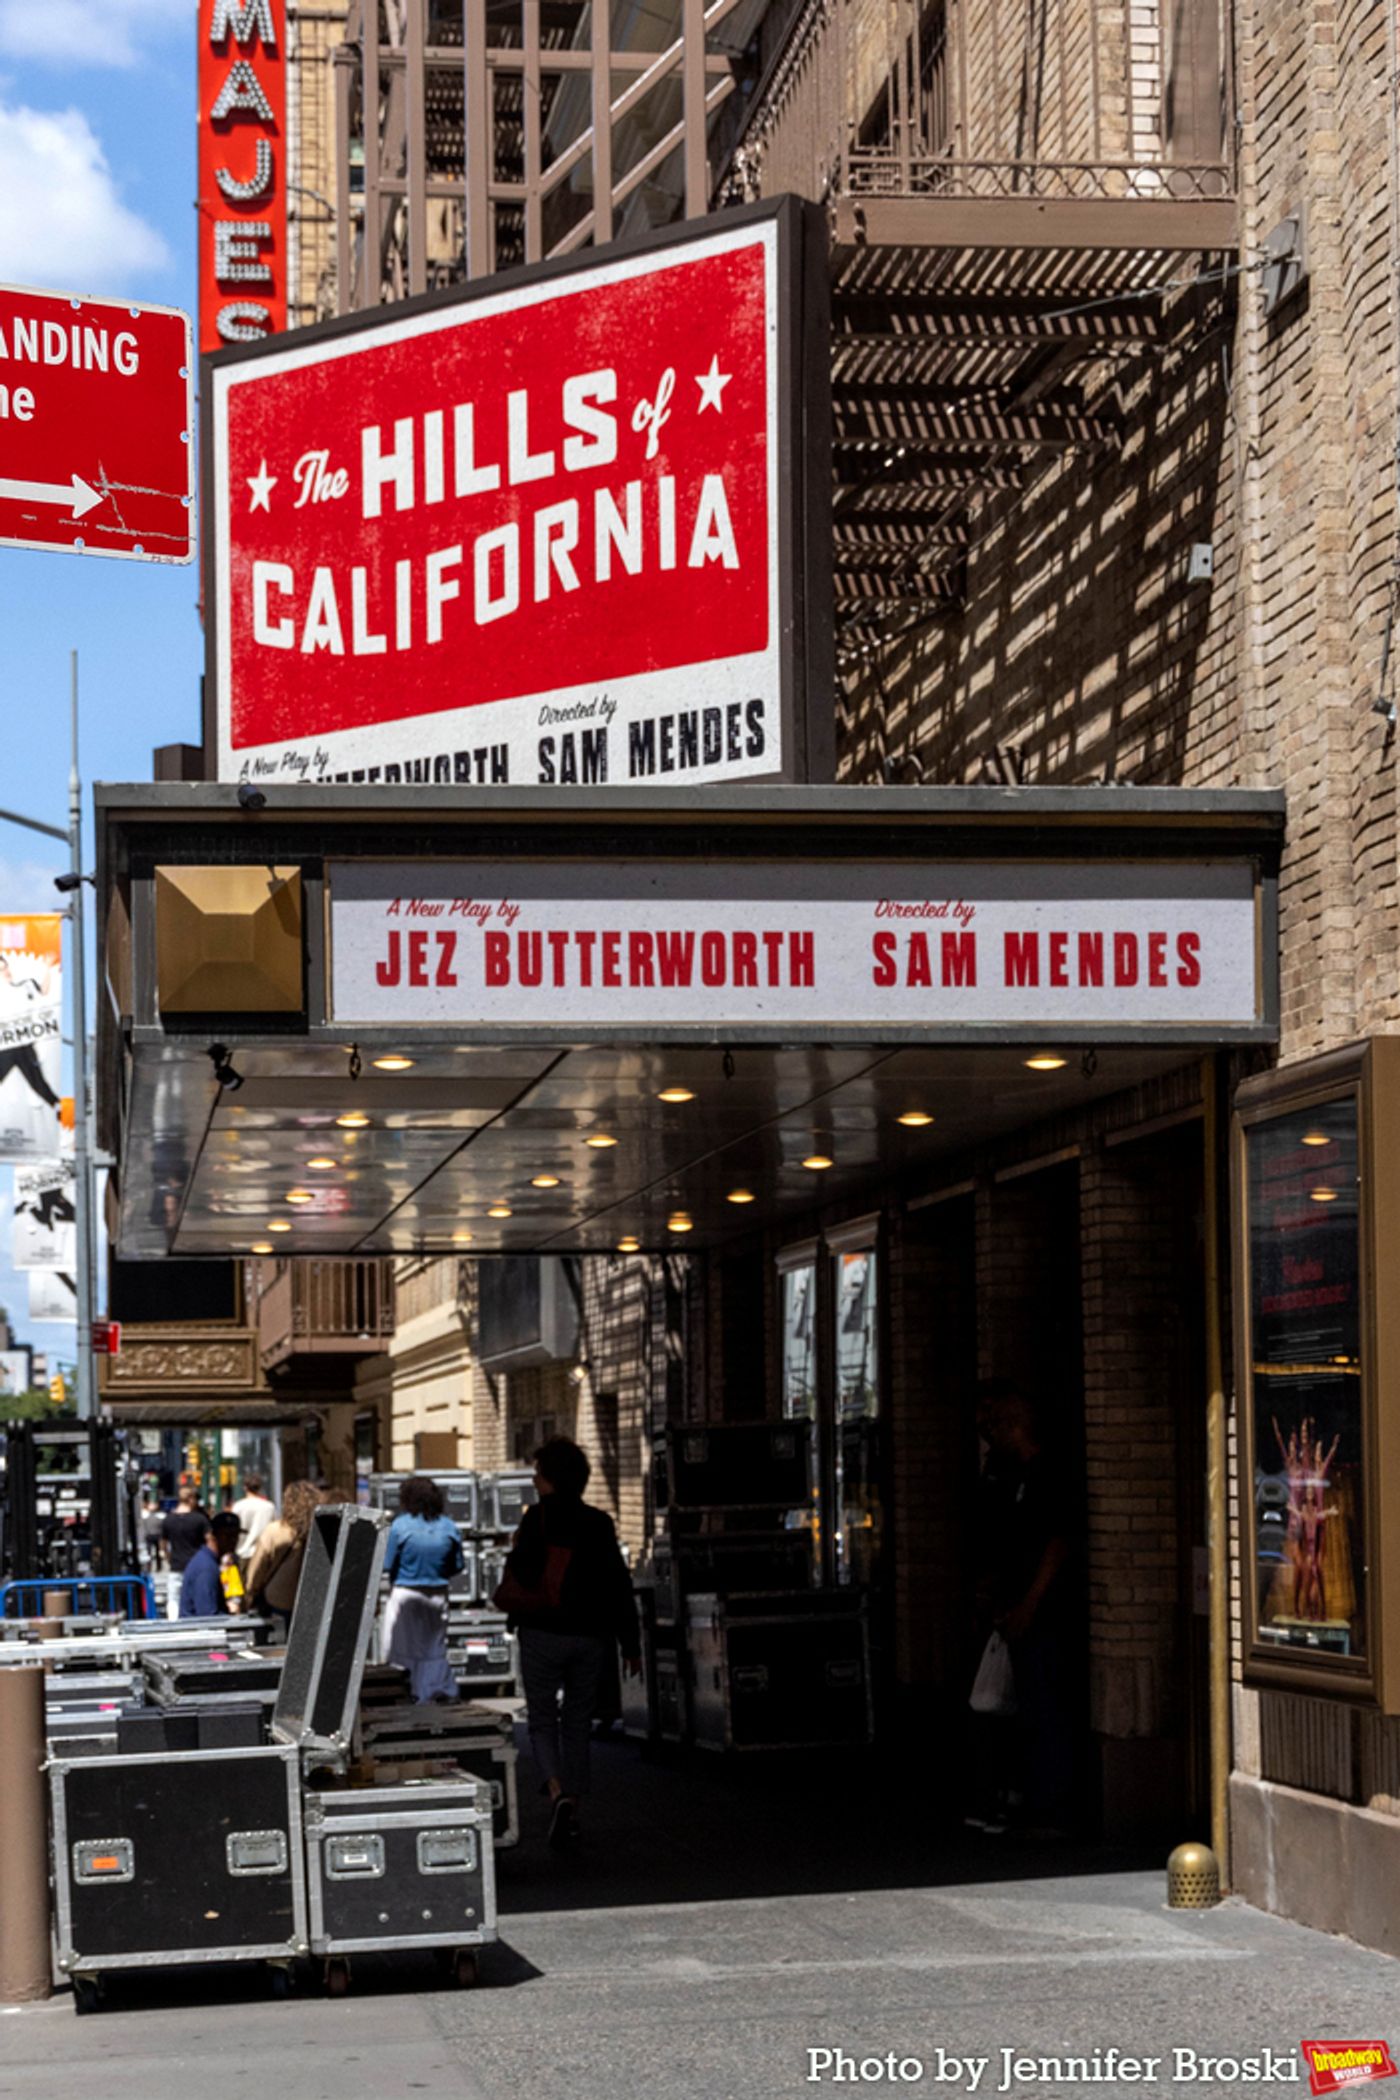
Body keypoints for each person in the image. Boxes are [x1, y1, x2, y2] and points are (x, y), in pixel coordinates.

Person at [496, 1436, 640, 1850]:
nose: (533, 1479)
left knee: (542, 1718)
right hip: (590, 1636)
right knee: (578, 1722)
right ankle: (572, 1806)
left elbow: (521, 1575)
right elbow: (618, 1584)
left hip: (542, 1633)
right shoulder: (599, 1522)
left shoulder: (536, 1520)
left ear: (549, 1479)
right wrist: (629, 1643)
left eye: (537, 1472)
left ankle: (557, 1791)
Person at [974, 1380, 1076, 1838]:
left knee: (1045, 1709)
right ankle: (1030, 1802)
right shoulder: (1013, 1476)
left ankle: (1051, 1811)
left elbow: (1057, 1544)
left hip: (1044, 1616)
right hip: (1018, 1611)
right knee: (1026, 1712)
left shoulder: (1047, 1475)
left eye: (998, 1424)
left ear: (1019, 1426)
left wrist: (1030, 1605)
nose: (991, 1432)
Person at [382, 1477, 464, 1702]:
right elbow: (458, 1565)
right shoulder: (449, 1526)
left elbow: (387, 1563)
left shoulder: (400, 1525)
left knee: (401, 1650)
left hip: (405, 1594)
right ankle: (436, 1690)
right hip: (438, 1594)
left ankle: (409, 1693)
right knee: (434, 1649)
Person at [246, 1480, 324, 1633]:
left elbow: (257, 1569)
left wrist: (251, 1592)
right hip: (313, 1602)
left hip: (277, 1600)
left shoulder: (275, 1531)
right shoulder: (322, 1531)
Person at [161, 1483, 211, 1619]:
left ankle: (174, 1626)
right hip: (197, 1565)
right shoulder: (200, 1519)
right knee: (197, 1596)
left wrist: (169, 1558)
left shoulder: (168, 1520)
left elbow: (163, 1545)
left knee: (174, 1599)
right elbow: (209, 1541)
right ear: (191, 1499)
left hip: (176, 1566)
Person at [180, 1512, 242, 1618]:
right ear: (213, 1536)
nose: (233, 1541)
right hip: (198, 1632)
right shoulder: (207, 1568)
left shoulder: (208, 1561)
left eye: (235, 1535)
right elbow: (207, 1616)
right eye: (227, 1536)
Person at [231, 1472, 275, 1568]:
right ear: (259, 1487)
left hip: (241, 1553)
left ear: (245, 1487)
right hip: (262, 1554)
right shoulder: (269, 1507)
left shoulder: (238, 1506)